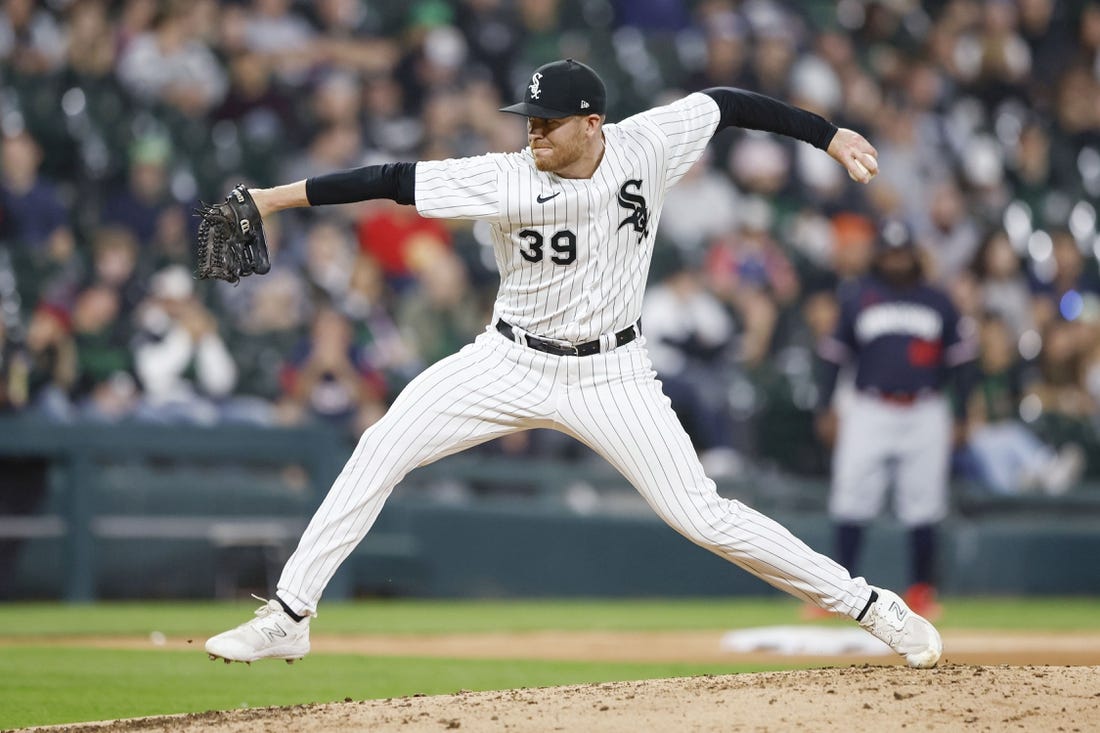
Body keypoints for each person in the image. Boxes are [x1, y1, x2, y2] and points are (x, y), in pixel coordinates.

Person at [205, 59, 942, 668]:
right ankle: (291, 612)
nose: (533, 134)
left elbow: (727, 103)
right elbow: (393, 179)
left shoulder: (646, 143)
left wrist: (828, 134)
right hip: (507, 357)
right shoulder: (505, 175)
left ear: (592, 122)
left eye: (548, 122)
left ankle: (873, 606)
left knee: (704, 515)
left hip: (613, 374)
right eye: (527, 120)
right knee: (381, 445)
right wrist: (271, 200)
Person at [814, 219, 978, 621]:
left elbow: (964, 364)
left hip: (925, 409)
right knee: (851, 497)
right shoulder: (859, 297)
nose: (897, 261)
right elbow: (833, 358)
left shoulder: (938, 300)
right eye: (890, 253)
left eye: (903, 253)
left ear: (914, 256)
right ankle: (839, 591)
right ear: (880, 257)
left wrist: (962, 413)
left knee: (923, 503)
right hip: (869, 407)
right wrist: (825, 407)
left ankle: (922, 591)